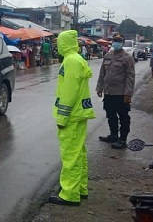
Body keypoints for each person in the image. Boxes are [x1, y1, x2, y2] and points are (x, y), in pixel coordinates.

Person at [49, 30, 95, 206]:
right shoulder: (75, 59)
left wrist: (62, 117)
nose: (57, 46)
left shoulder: (71, 61)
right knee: (79, 153)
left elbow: (69, 92)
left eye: (59, 43)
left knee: (70, 155)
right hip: (78, 113)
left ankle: (69, 194)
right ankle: (80, 189)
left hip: (72, 116)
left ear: (64, 43)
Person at [96, 33, 135, 149]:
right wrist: (100, 87)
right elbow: (102, 73)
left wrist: (128, 93)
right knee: (110, 115)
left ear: (122, 43)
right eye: (114, 41)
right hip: (108, 92)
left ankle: (122, 140)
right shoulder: (108, 56)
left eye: (118, 41)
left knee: (123, 116)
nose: (116, 43)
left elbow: (130, 77)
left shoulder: (127, 58)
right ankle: (113, 135)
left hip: (121, 93)